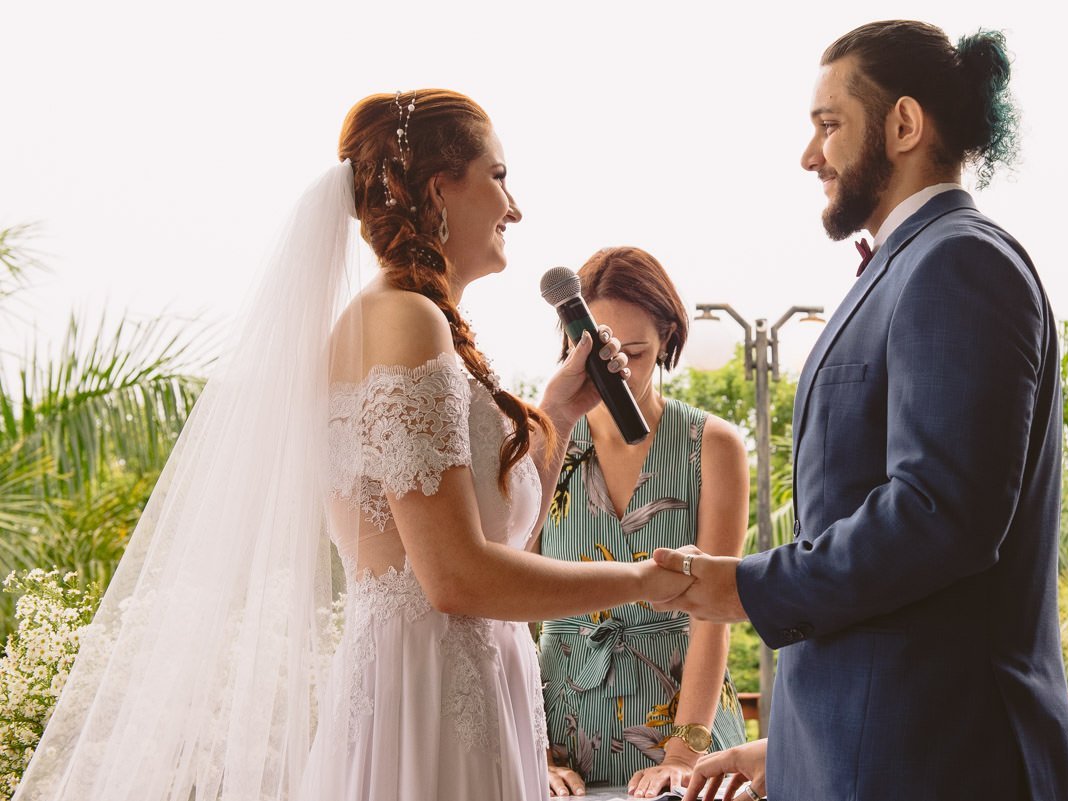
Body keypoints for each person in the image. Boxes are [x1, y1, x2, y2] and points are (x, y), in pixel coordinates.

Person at [14, 90, 692, 801]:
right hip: (427, 703)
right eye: (497, 176)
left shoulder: (417, 323)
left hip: (461, 687)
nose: (514, 206)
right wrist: (646, 580)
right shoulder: (403, 323)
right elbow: (454, 577)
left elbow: (493, 539)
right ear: (440, 188)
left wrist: (557, 409)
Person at [652, 21, 1068, 801]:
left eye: (828, 125)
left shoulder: (959, 261)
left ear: (904, 125)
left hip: (941, 767)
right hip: (878, 754)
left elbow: (940, 516)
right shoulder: (914, 264)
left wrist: (745, 587)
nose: (810, 155)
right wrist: (789, 748)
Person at [536, 247, 748, 798]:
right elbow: (509, 606)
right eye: (606, 351)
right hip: (561, 724)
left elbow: (714, 613)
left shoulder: (714, 446)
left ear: (668, 340)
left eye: (637, 351)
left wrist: (681, 754)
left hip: (687, 719)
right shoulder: (543, 438)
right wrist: (531, 746)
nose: (619, 370)